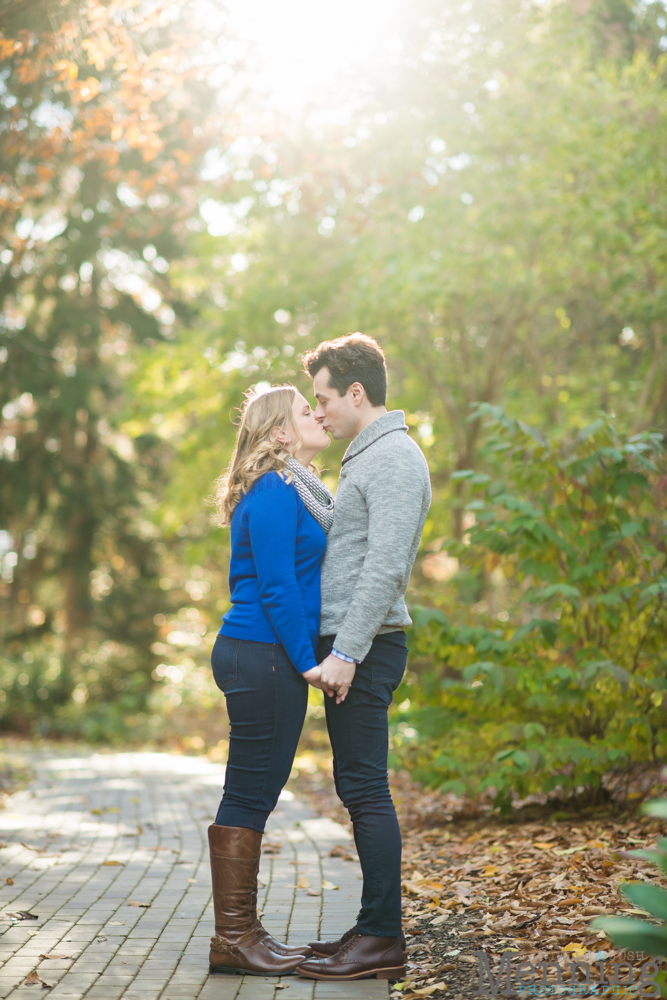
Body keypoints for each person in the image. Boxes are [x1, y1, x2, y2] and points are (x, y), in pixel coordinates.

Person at [295, 333, 431, 982]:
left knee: (366, 791)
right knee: (355, 787)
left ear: (356, 392)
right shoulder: (365, 457)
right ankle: (370, 927)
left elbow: (385, 565)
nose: (316, 411)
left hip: (367, 646)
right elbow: (350, 538)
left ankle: (382, 938)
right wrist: (296, 477)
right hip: (352, 643)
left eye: (321, 399)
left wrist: (348, 651)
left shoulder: (395, 457)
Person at [207, 385, 333, 976]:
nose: (320, 416)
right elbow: (279, 586)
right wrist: (309, 662)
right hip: (263, 653)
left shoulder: (295, 488)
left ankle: (242, 932)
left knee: (255, 790)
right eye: (308, 412)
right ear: (281, 432)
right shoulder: (278, 491)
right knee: (250, 792)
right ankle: (233, 940)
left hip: (262, 651)